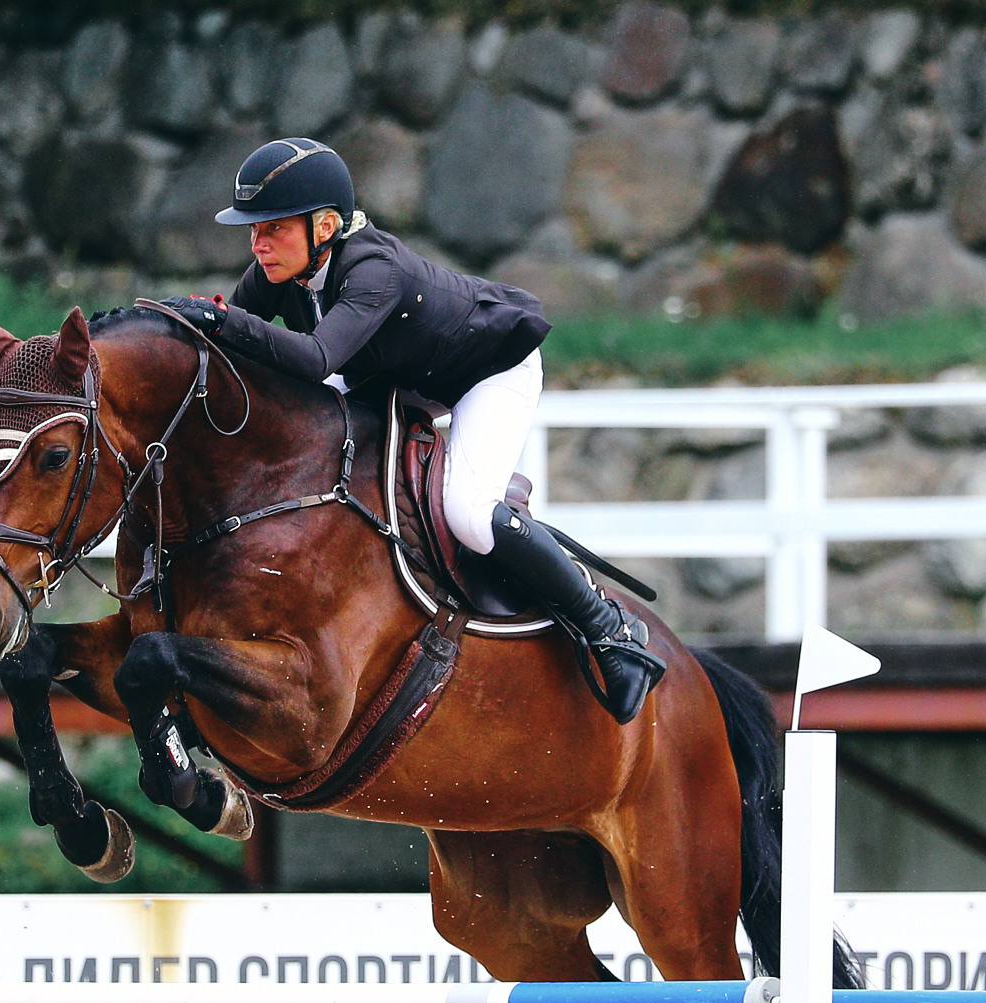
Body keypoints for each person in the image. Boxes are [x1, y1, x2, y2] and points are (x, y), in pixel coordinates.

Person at [165, 138, 665, 722]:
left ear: (325, 225)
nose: (258, 245)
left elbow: (314, 358)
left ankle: (611, 631)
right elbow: (244, 347)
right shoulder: (283, 269)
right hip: (395, 375)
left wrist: (224, 322)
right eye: (254, 231)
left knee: (471, 515)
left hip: (489, 369)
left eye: (272, 229)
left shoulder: (375, 269)